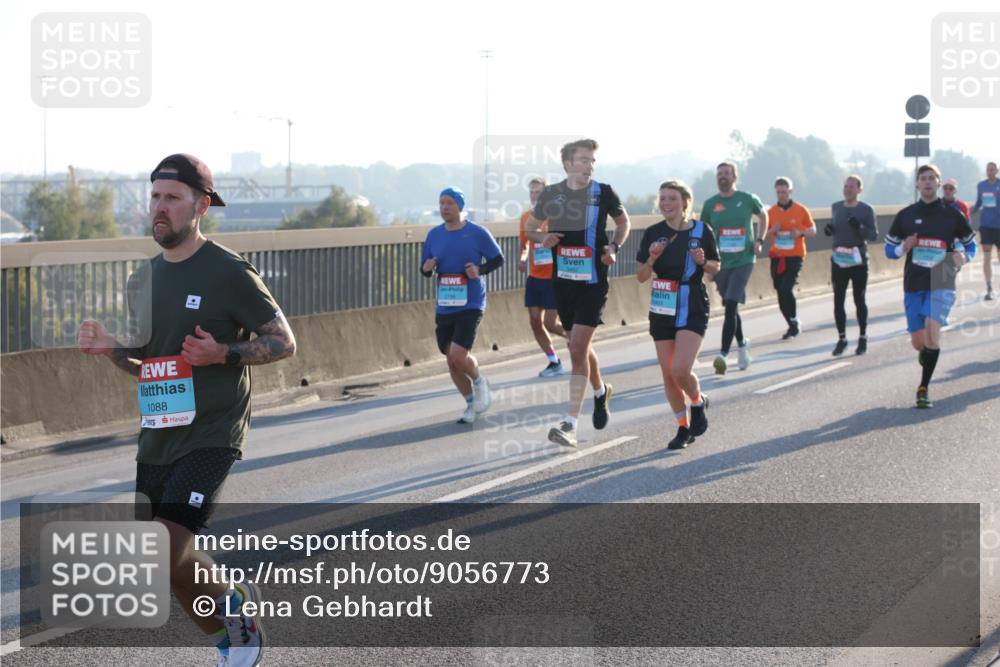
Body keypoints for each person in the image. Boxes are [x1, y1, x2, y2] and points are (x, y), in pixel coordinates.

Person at [78, 154, 296, 667]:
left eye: (173, 198)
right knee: (169, 563)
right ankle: (230, 631)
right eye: (155, 196)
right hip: (159, 432)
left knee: (163, 548)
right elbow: (146, 365)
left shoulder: (229, 272)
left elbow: (284, 341)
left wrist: (223, 352)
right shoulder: (142, 279)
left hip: (212, 431)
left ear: (201, 206)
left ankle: (238, 627)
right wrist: (110, 348)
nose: (160, 207)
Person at [525, 138, 630, 448]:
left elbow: (623, 222)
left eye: (592, 161)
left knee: (577, 348)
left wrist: (614, 246)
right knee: (578, 346)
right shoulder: (551, 194)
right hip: (563, 281)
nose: (589, 166)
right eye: (584, 160)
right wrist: (543, 238)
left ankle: (569, 424)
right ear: (568, 163)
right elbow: (531, 228)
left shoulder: (603, 192)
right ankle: (600, 392)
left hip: (593, 282)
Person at [884, 164, 976, 408]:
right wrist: (903, 247)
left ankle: (923, 388)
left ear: (938, 183)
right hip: (914, 282)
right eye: (922, 178)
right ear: (917, 184)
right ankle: (926, 353)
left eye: (931, 178)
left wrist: (964, 256)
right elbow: (888, 250)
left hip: (942, 278)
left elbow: (971, 244)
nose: (927, 182)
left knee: (932, 332)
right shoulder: (905, 215)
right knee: (919, 342)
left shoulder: (953, 215)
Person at [637, 180, 720, 450]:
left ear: (685, 202)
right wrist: (651, 258)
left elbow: (715, 266)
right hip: (662, 303)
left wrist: (702, 261)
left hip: (692, 301)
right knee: (668, 374)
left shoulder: (701, 230)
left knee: (680, 369)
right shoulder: (653, 233)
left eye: (672, 198)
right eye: (662, 198)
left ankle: (697, 401)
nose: (666, 203)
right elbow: (641, 276)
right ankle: (683, 427)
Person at [421, 187, 504, 424]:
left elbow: (498, 259)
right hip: (446, 303)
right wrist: (426, 268)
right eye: (441, 203)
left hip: (471, 302)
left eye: (449, 203)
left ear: (459, 206)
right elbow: (425, 268)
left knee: (458, 355)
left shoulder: (477, 232)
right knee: (451, 359)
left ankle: (479, 381)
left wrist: (480, 269)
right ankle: (470, 404)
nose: (444, 207)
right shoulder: (434, 235)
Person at [700, 161, 767, 374]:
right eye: (719, 174)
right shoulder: (711, 204)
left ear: (734, 177)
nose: (723, 177)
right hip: (721, 263)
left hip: (744, 260)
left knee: (730, 305)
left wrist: (759, 240)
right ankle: (743, 346)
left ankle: (723, 354)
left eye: (727, 173)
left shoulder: (747, 199)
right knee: (732, 307)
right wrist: (706, 266)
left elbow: (763, 215)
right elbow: (703, 234)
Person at [518, 177, 567, 377]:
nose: (534, 196)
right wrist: (522, 259)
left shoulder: (558, 216)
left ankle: (574, 338)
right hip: (535, 277)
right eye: (532, 192)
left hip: (554, 277)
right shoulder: (526, 218)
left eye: (538, 192)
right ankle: (554, 361)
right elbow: (524, 246)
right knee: (534, 321)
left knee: (550, 323)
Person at [825, 174, 879, 356]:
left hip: (858, 260)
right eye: (846, 186)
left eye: (852, 187)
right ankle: (842, 339)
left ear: (859, 190)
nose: (848, 190)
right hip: (839, 259)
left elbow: (873, 235)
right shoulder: (836, 207)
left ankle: (862, 337)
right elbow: (835, 227)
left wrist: (859, 227)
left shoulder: (866, 210)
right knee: (838, 299)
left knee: (859, 299)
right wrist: (830, 229)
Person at [764, 177, 816, 339]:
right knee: (780, 291)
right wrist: (772, 230)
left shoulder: (801, 210)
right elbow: (762, 235)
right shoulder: (771, 212)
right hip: (777, 256)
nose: (781, 195)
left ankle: (793, 318)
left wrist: (800, 233)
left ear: (791, 191)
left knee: (787, 288)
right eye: (778, 192)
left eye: (784, 192)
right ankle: (791, 324)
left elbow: (813, 230)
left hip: (795, 255)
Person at [971, 161, 1000, 300]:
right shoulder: (981, 185)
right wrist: (970, 211)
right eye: (988, 170)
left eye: (992, 169)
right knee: (987, 257)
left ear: (997, 171)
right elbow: (978, 203)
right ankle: (989, 287)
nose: (990, 172)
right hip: (986, 226)